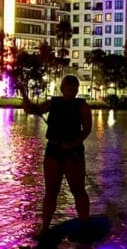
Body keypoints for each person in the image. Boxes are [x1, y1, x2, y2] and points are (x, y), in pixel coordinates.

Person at [21, 74, 92, 239]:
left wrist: (73, 144)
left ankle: (84, 225)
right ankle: (45, 229)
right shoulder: (54, 103)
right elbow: (34, 110)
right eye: (69, 88)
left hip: (73, 153)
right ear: (62, 89)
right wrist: (26, 100)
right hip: (53, 150)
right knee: (51, 191)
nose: (72, 92)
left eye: (75, 89)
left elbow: (87, 129)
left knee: (78, 189)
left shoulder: (82, 106)